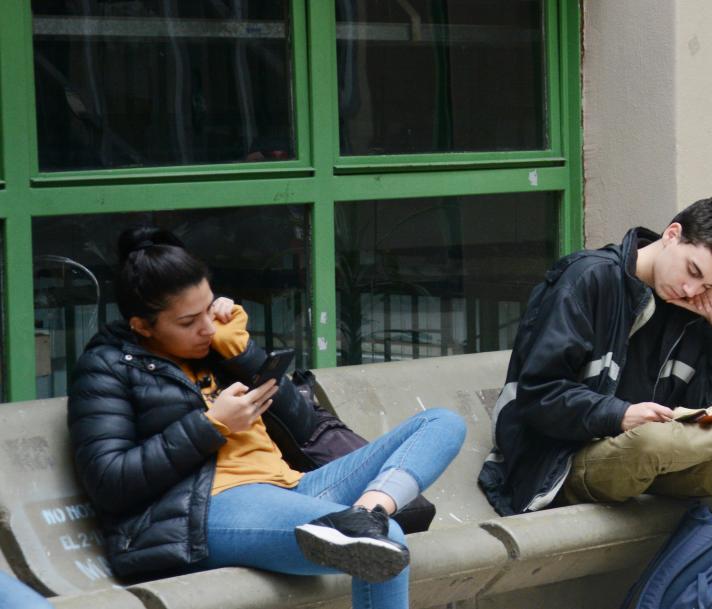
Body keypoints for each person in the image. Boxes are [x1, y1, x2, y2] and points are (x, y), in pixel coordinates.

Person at [68, 227, 466, 609]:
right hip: (211, 510)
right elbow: (110, 481)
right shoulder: (106, 368)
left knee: (442, 423)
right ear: (142, 326)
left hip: (293, 487)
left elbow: (303, 427)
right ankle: (366, 525)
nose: (206, 328)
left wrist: (240, 349)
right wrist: (211, 426)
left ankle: (369, 511)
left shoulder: (217, 347)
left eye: (208, 309)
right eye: (188, 322)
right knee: (386, 540)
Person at [479, 197, 712, 609]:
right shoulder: (588, 279)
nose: (693, 289)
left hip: (653, 462)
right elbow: (538, 395)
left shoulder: (689, 308)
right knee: (653, 442)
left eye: (708, 285)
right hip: (562, 462)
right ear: (672, 234)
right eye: (693, 271)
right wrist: (620, 414)